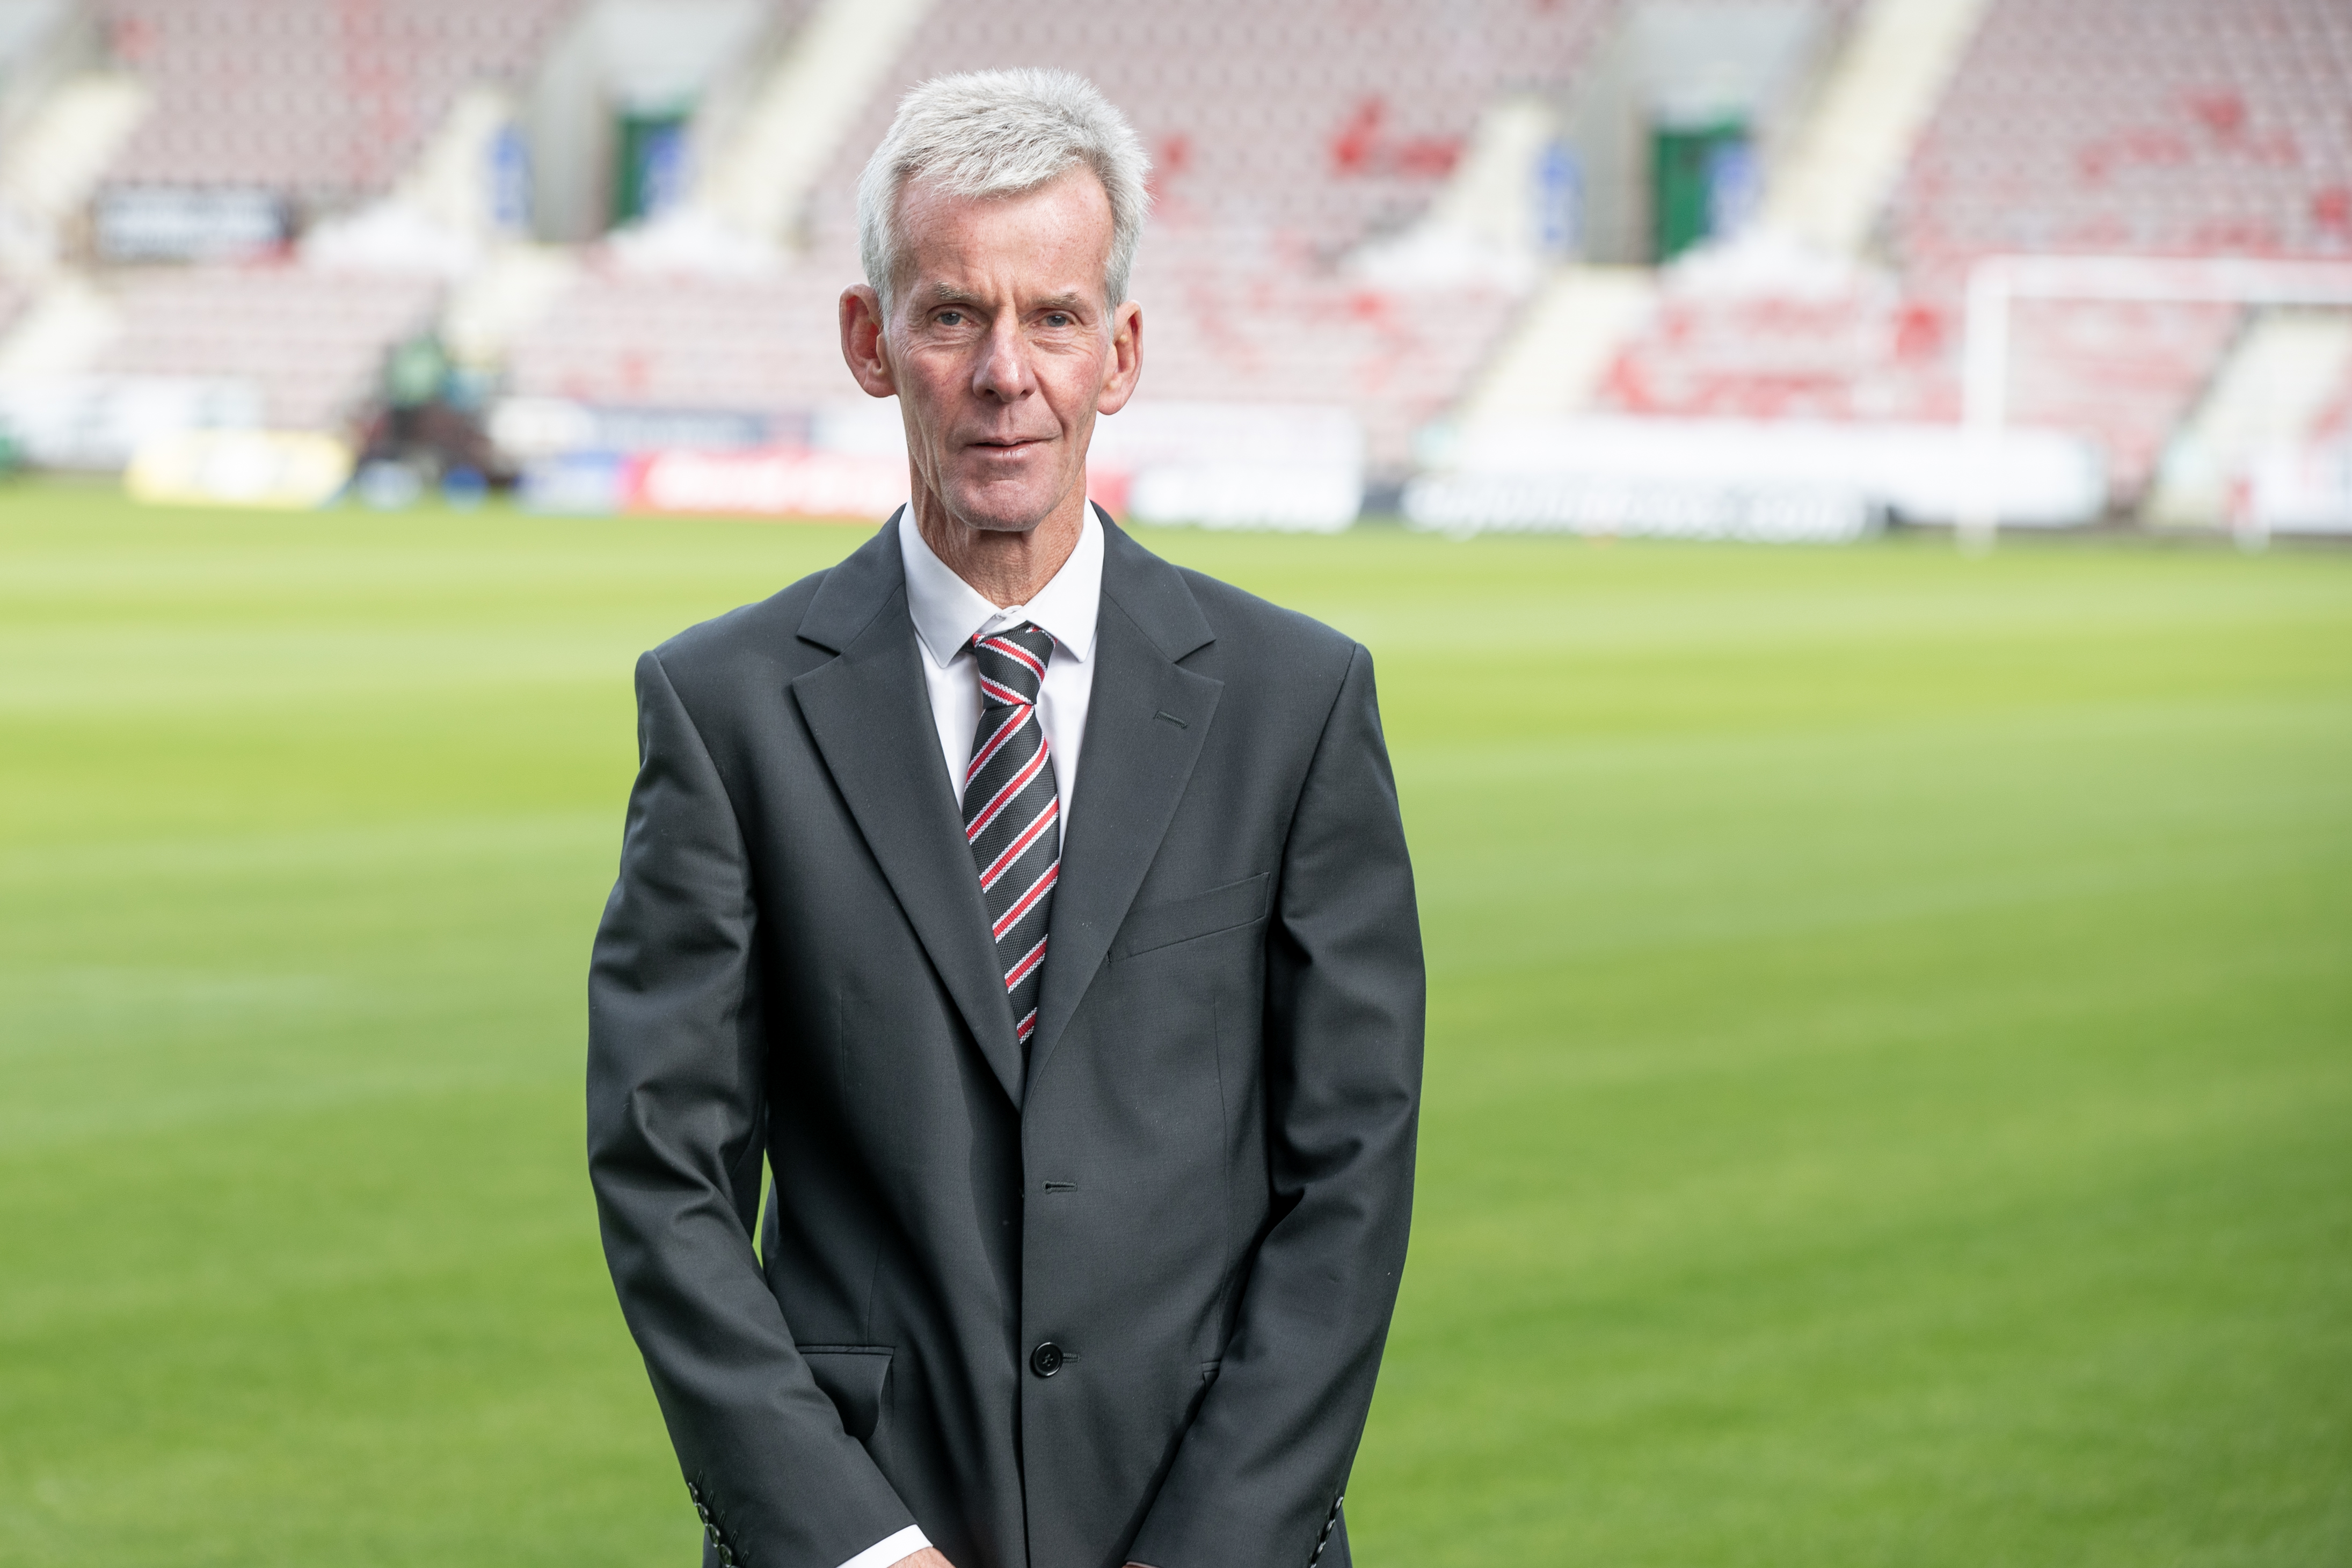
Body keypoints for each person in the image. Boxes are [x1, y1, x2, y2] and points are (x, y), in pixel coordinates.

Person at [587, 69, 1422, 1568]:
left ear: (1123, 350)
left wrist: (1209, 1545)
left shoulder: (1297, 704)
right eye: (953, 312)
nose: (1004, 372)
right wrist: (853, 1542)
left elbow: (1351, 1170)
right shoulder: (724, 711)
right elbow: (665, 1172)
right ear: (870, 340)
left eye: (1053, 316)